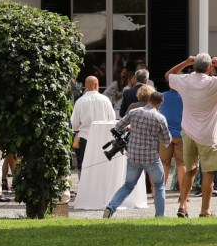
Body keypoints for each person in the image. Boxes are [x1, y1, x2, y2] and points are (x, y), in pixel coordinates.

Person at [166, 52, 217, 218]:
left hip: (188, 132)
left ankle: (183, 205)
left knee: (190, 170)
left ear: (194, 66)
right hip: (208, 135)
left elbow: (168, 75)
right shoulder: (215, 82)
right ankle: (205, 210)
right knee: (209, 173)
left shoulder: (185, 79)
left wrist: (185, 62)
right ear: (210, 67)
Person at [104, 87, 172, 218]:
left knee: (128, 185)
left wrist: (131, 128)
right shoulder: (160, 118)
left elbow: (118, 126)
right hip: (151, 158)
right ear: (160, 104)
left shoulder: (134, 112)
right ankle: (160, 216)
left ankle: (110, 207)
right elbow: (167, 141)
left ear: (149, 100)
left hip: (133, 156)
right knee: (159, 185)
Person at [70, 75, 116, 179]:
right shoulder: (105, 100)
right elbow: (112, 118)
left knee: (85, 164)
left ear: (86, 86)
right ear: (96, 85)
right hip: (102, 137)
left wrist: (77, 130)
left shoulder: (80, 101)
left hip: (85, 137)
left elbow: (74, 122)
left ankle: (84, 185)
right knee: (101, 164)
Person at [158, 80, 184, 190]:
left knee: (164, 163)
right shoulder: (185, 97)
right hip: (181, 134)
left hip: (165, 135)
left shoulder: (161, 96)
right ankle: (183, 193)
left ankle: (160, 192)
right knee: (181, 164)